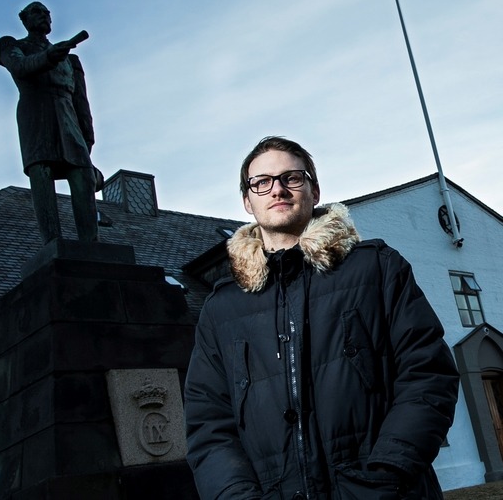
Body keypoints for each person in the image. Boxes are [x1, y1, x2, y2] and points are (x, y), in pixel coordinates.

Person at [185, 136, 459, 499]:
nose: (278, 190)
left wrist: (387, 475)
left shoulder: (376, 268)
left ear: (314, 191)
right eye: (262, 182)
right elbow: (209, 423)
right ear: (247, 201)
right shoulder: (222, 308)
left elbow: (427, 374)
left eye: (292, 178)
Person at [0, 1, 99, 244]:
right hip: (36, 114)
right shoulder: (11, 44)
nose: (43, 16)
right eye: (37, 12)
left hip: (67, 117)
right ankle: (52, 244)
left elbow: (81, 101)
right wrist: (50, 55)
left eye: (47, 13)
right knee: (42, 173)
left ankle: (91, 243)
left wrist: (87, 137)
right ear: (25, 20)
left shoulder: (71, 60)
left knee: (83, 175)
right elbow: (20, 67)